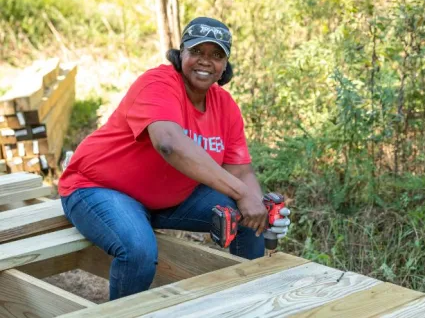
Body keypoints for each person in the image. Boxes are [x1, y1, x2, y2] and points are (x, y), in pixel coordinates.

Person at [58, 17, 290, 301]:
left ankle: (252, 302)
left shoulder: (226, 107)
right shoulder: (158, 83)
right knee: (138, 250)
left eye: (216, 55)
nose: (205, 61)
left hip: (166, 199)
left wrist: (259, 209)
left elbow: (241, 172)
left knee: (247, 215)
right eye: (197, 52)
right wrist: (243, 194)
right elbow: (169, 144)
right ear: (181, 55)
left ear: (224, 67)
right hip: (97, 188)